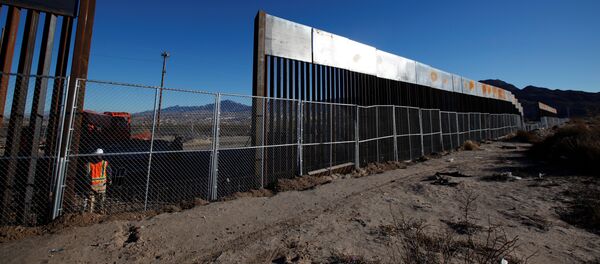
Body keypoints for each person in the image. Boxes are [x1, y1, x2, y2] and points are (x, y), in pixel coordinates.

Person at [86, 148, 110, 213]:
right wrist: (109, 181)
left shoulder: (89, 164)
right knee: (101, 199)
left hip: (92, 184)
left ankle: (90, 212)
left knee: (91, 198)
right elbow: (109, 172)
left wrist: (87, 182)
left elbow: (87, 174)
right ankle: (101, 211)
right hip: (102, 184)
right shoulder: (105, 163)